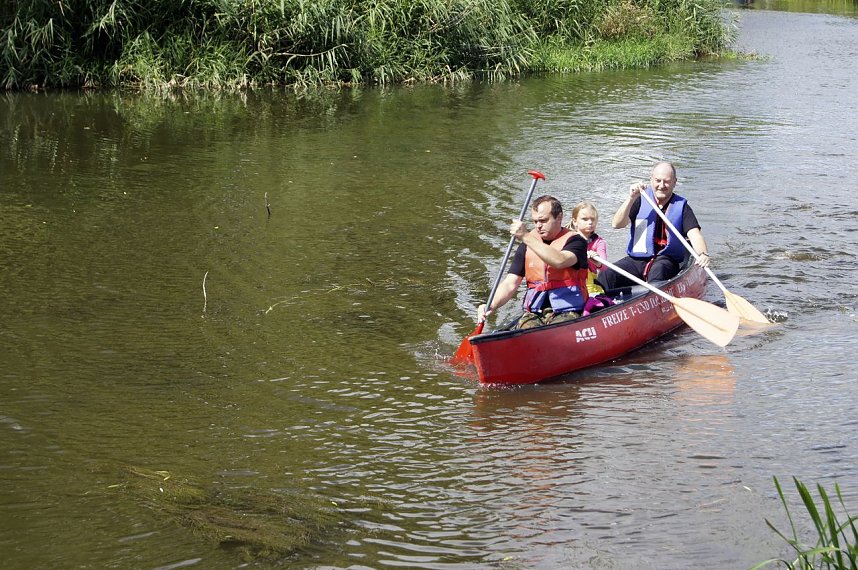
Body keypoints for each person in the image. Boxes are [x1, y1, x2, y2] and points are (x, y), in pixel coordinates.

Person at [477, 195, 589, 330]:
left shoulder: (576, 241)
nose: (538, 226)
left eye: (543, 220)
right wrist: (491, 304)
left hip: (568, 309)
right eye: (535, 221)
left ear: (559, 217)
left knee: (556, 329)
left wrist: (525, 236)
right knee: (526, 328)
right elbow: (510, 283)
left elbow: (560, 261)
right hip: (535, 311)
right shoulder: (527, 245)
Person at [600, 161, 711, 291]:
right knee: (607, 275)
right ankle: (599, 306)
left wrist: (703, 254)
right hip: (637, 259)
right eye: (658, 180)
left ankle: (653, 304)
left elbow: (695, 235)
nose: (661, 185)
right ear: (651, 180)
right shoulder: (640, 200)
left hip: (666, 260)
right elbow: (617, 224)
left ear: (675, 182)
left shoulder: (682, 207)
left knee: (657, 274)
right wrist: (631, 198)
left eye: (667, 181)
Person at [567, 200, 607, 295]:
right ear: (575, 221)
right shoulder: (567, 239)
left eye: (592, 219)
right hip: (570, 285)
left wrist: (595, 260)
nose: (590, 222)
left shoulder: (599, 242)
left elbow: (604, 267)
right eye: (585, 219)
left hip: (590, 287)